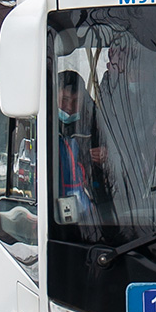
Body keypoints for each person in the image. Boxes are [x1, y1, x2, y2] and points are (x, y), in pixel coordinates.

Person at [56, 71, 109, 222]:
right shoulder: (44, 122)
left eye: (75, 101)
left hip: (88, 202)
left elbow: (114, 151)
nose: (69, 106)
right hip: (53, 198)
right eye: (64, 99)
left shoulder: (94, 120)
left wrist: (105, 154)